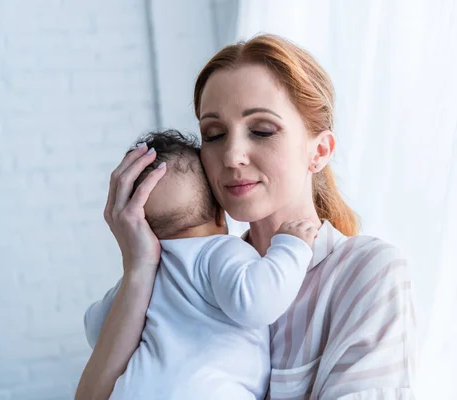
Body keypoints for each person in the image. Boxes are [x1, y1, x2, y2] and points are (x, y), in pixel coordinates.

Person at [76, 33, 416, 400]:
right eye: (215, 134)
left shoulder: (367, 273)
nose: (232, 155)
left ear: (319, 151)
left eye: (262, 130)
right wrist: (139, 268)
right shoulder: (193, 278)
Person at [83, 130, 317, 399]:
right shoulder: (219, 250)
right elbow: (257, 303)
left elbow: (97, 330)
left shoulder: (144, 272)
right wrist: (291, 248)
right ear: (220, 212)